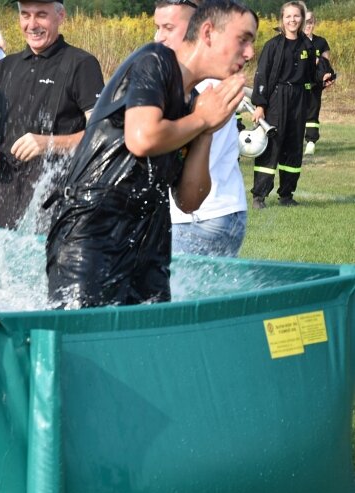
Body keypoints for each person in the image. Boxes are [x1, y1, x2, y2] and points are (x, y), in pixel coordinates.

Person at [46, 0, 257, 309]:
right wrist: (201, 120)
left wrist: (207, 131)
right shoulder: (154, 60)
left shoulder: (195, 103)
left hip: (148, 244)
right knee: (85, 344)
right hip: (90, 237)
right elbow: (141, 138)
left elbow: (189, 200)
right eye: (244, 39)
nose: (250, 53)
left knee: (145, 344)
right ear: (208, 33)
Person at [0, 0, 104, 230]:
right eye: (25, 15)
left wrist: (50, 144)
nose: (32, 24)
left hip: (57, 210)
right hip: (0, 206)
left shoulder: (81, 64)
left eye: (41, 15)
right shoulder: (5, 68)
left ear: (60, 16)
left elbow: (103, 135)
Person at [155, 0, 248, 257]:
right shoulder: (194, 75)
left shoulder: (201, 79)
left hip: (201, 217)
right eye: (158, 27)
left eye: (168, 27)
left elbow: (156, 140)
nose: (158, 37)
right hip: (217, 209)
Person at [250, 1, 324, 208]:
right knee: (272, 146)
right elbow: (262, 76)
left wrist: (323, 78)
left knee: (293, 147)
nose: (292, 20)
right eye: (288, 16)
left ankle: (287, 195)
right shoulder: (272, 45)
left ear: (302, 19)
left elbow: (312, 76)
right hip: (277, 98)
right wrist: (260, 105)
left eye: (296, 16)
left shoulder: (308, 46)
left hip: (299, 98)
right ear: (282, 19)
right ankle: (259, 196)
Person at [302, 10, 334, 156]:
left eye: (310, 22)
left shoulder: (321, 42)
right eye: (305, 22)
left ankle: (310, 142)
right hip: (296, 84)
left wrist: (328, 77)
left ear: (314, 23)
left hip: (315, 84)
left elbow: (326, 65)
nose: (308, 25)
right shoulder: (294, 40)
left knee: (312, 112)